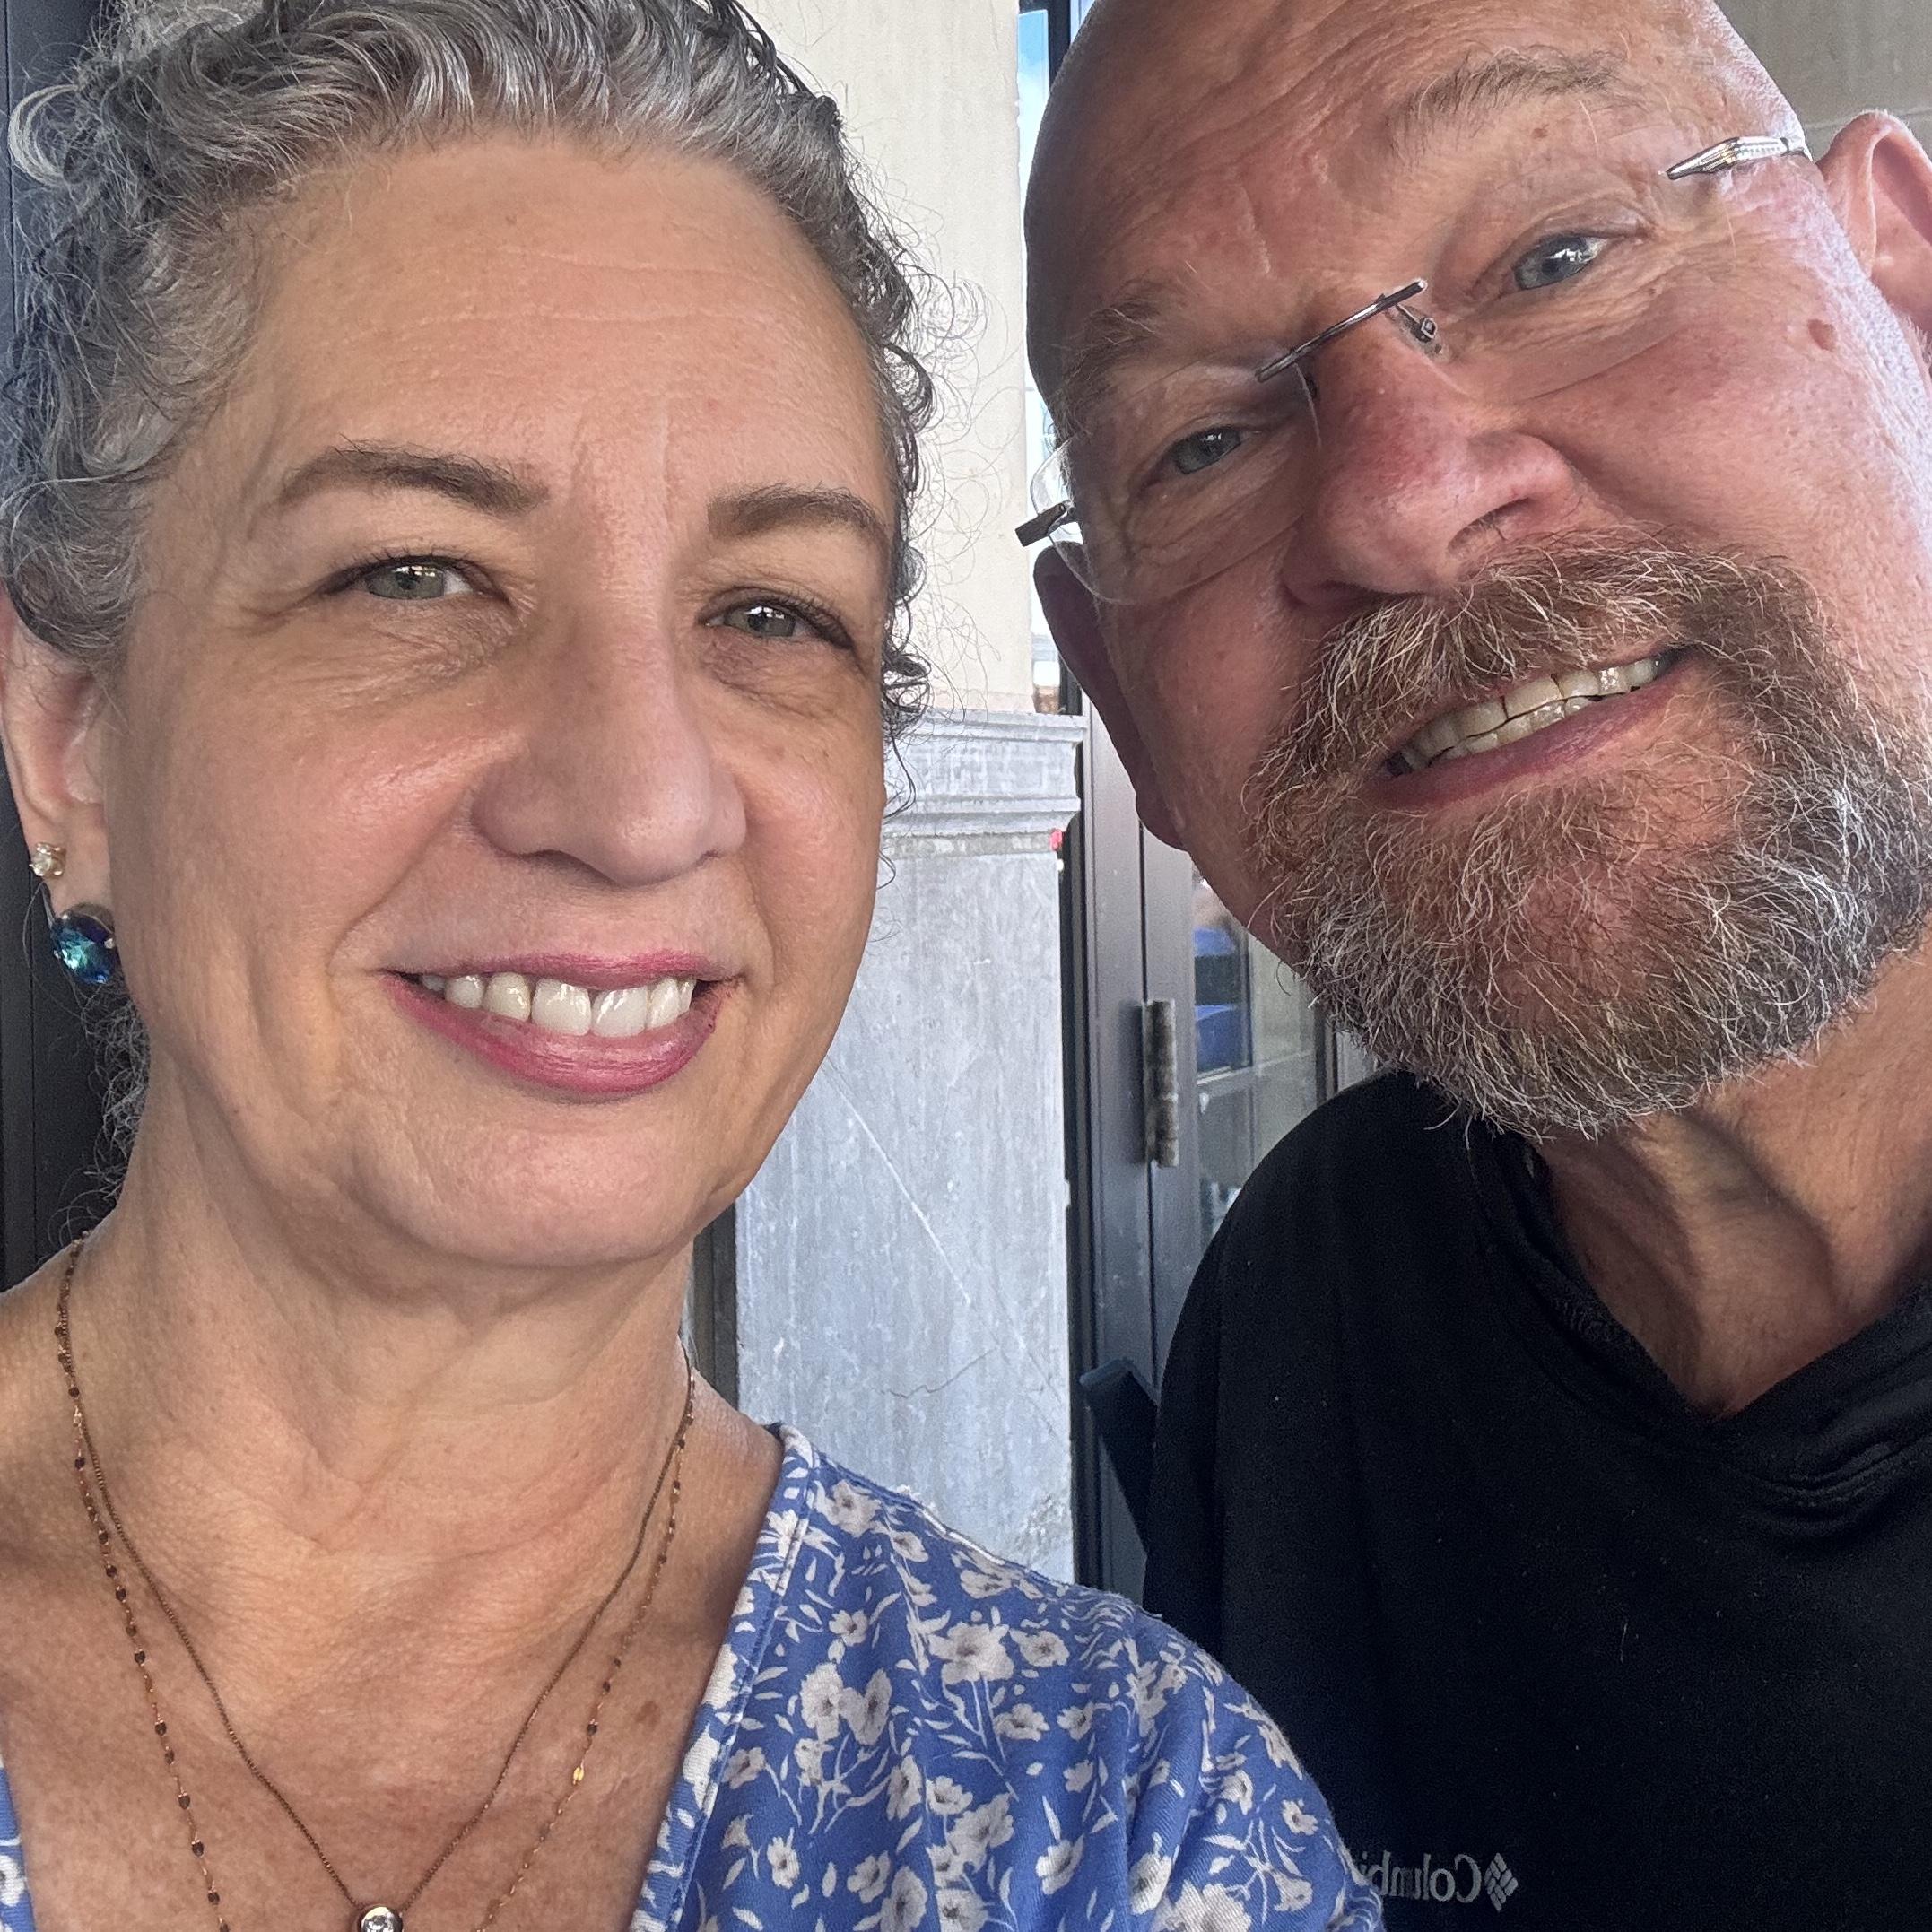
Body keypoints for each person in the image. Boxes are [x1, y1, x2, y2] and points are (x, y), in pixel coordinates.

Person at [0, 4, 1387, 1929]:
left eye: (770, 613)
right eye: (415, 574)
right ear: (70, 738)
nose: (642, 803)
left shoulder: (1115, 1824)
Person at [1022, 0, 1932, 1926]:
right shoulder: (1307, 1309)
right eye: (1200, 440)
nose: (1398, 502)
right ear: (1117, 699)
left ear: (1906, 299)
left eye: (1557, 255)